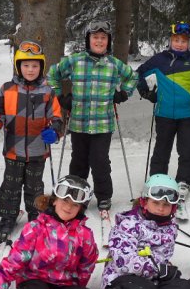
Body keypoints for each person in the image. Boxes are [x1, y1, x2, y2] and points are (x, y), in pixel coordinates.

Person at [47, 20, 138, 212]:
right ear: (88, 39)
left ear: (108, 41)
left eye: (103, 38)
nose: (99, 41)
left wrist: (123, 93)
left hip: (103, 124)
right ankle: (76, 195)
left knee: (100, 161)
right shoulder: (75, 61)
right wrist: (60, 97)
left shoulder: (113, 64)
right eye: (95, 37)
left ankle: (104, 196)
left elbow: (133, 77)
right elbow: (52, 74)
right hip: (78, 122)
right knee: (79, 161)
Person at [0, 41, 63, 238]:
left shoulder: (47, 91)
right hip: (13, 149)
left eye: (35, 65)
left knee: (34, 187)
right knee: (10, 186)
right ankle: (8, 217)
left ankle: (36, 216)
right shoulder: (7, 89)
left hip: (38, 150)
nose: (30, 69)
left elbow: (57, 117)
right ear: (18, 66)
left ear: (41, 67)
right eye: (26, 65)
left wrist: (54, 131)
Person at [136, 21, 190, 200]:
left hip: (187, 115)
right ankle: (157, 180)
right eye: (176, 40)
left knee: (188, 150)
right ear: (170, 40)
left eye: (184, 41)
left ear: (189, 43)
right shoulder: (160, 60)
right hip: (164, 114)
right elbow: (138, 73)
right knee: (162, 149)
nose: (180, 44)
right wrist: (145, 92)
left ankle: (183, 181)